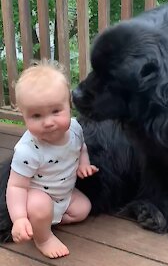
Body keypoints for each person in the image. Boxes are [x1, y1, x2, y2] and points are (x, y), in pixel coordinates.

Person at [6, 60, 99, 259]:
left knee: (84, 209)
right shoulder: (28, 150)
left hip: (64, 194)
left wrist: (84, 164)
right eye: (36, 116)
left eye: (56, 111)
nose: (48, 122)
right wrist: (19, 218)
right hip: (38, 196)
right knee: (39, 207)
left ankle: (44, 223)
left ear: (69, 105)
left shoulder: (75, 129)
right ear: (23, 116)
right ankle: (43, 238)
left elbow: (81, 147)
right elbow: (16, 187)